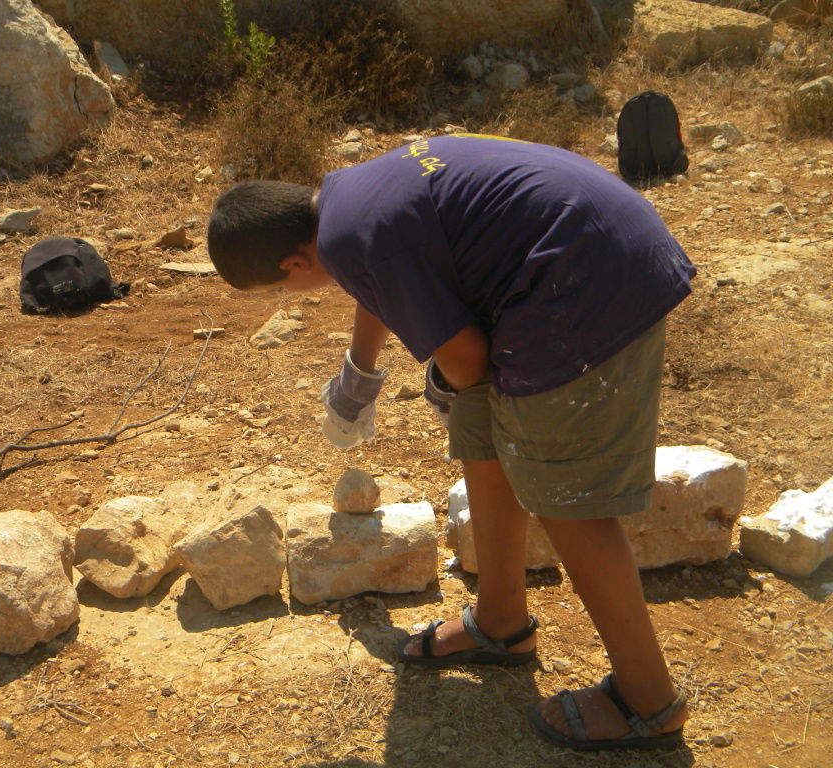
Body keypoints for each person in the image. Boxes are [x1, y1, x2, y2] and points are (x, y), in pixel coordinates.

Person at [206, 134, 695, 752]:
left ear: (292, 267)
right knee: (481, 438)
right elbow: (379, 279)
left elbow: (466, 361)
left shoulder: (349, 237)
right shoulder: (344, 198)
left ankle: (648, 700)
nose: (292, 297)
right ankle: (501, 623)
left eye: (280, 292)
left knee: (564, 495)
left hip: (586, 278)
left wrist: (444, 378)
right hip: (586, 246)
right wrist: (360, 373)